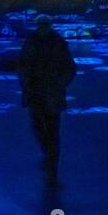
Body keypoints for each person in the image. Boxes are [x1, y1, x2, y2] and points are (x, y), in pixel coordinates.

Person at [17, 15, 77, 182]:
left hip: (52, 92)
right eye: (41, 25)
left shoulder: (59, 44)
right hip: (35, 91)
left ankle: (52, 160)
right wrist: (25, 83)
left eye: (45, 25)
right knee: (38, 126)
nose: (43, 27)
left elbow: (70, 68)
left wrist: (60, 84)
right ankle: (49, 155)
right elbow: (22, 64)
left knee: (52, 129)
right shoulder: (31, 42)